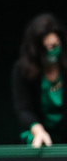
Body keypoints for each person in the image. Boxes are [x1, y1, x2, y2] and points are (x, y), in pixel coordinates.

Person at [12, 13, 67, 147]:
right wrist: (38, 130)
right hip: (39, 137)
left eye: (54, 46)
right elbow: (24, 109)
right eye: (45, 48)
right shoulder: (22, 70)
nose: (51, 52)